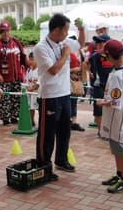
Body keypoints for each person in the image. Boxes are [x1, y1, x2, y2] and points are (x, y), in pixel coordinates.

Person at [33, 13, 85, 179]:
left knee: (65, 131)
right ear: (56, 29)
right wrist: (65, 55)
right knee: (47, 134)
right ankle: (44, 166)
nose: (67, 34)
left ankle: (61, 160)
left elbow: (81, 43)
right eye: (65, 30)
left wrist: (82, 29)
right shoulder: (41, 47)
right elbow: (53, 70)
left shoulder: (64, 42)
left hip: (65, 94)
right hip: (49, 96)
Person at [96, 39, 123, 193]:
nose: (106, 59)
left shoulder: (116, 76)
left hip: (118, 118)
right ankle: (119, 174)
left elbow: (115, 102)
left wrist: (101, 102)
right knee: (116, 147)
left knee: (120, 148)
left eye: (106, 56)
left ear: (112, 56)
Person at [0, 21, 28, 125]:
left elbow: (23, 56)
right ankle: (5, 119)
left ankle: (15, 117)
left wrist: (27, 68)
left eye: (7, 31)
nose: (5, 33)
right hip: (3, 76)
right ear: (0, 32)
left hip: (16, 76)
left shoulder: (16, 42)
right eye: (3, 31)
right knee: (4, 98)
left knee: (16, 97)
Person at [87, 34, 113, 136]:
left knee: (111, 107)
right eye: (97, 42)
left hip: (111, 86)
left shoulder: (113, 55)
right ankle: (101, 131)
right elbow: (86, 64)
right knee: (98, 108)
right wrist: (90, 72)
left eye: (101, 42)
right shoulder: (94, 56)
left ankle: (110, 130)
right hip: (99, 86)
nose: (99, 44)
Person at [25, 52, 39, 127]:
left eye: (32, 59)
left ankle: (42, 121)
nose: (30, 61)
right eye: (29, 59)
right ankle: (31, 120)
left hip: (37, 92)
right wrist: (28, 87)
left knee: (39, 107)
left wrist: (33, 88)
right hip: (30, 92)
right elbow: (26, 80)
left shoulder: (40, 70)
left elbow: (40, 82)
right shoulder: (28, 70)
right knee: (31, 107)